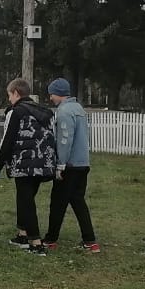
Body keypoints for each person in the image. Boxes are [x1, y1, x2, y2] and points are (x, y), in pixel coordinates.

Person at [0, 78, 57, 255]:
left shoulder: (17, 112)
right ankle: (22, 234)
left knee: (26, 202)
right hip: (43, 164)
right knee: (26, 198)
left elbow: (8, 140)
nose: (9, 99)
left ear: (16, 93)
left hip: (24, 164)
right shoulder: (44, 112)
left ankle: (35, 242)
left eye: (9, 95)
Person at [42, 77, 99, 253]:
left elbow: (65, 140)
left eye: (51, 94)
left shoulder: (65, 112)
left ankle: (50, 239)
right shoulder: (79, 109)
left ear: (58, 94)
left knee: (57, 203)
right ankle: (90, 241)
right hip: (83, 163)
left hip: (70, 165)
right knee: (78, 201)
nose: (50, 98)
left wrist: (60, 164)